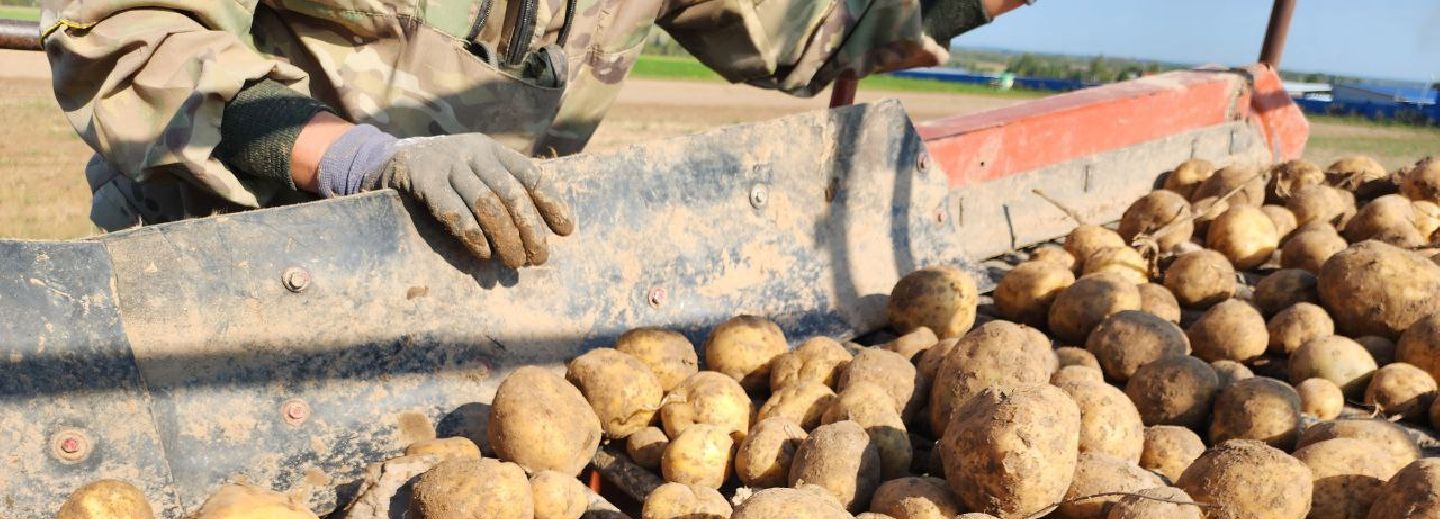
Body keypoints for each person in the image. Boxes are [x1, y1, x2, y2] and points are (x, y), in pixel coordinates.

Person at [40, 0, 1032, 266]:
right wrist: (360, 159)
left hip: (464, 269)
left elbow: (820, 34)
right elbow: (130, 37)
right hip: (226, 272)